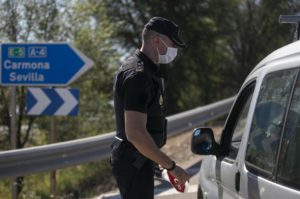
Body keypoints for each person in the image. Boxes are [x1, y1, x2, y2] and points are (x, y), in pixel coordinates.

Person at [111, 16, 190, 199]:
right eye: (172, 44)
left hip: (140, 159)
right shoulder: (138, 76)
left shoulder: (148, 71)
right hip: (133, 162)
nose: (175, 50)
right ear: (156, 40)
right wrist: (172, 166)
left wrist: (158, 163)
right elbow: (136, 133)